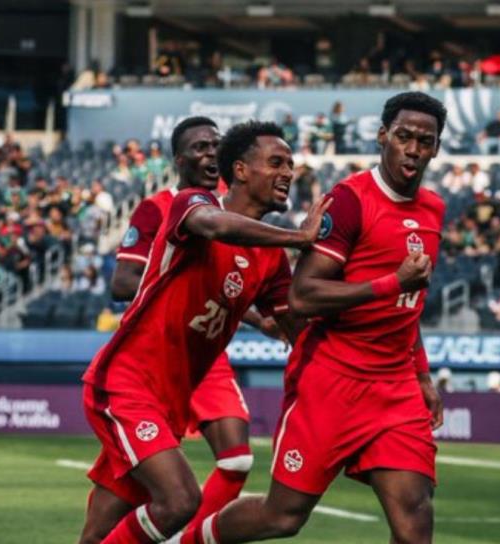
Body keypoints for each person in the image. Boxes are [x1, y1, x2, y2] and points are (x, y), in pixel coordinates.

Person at [190, 92, 447, 544]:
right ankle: (191, 540)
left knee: (414, 523)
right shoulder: (349, 201)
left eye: (424, 141)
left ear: (436, 148)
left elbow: (409, 305)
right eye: (403, 136)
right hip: (332, 379)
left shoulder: (432, 210)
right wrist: (391, 282)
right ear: (383, 136)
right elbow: (304, 297)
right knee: (283, 518)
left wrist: (421, 374)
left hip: (395, 388)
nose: (413, 148)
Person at [78, 120, 330, 544]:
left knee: (97, 535)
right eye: (276, 162)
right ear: (241, 170)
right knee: (178, 501)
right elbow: (216, 226)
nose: (289, 171)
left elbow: (297, 323)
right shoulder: (189, 204)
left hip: (169, 402)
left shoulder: (270, 260)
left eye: (291, 163)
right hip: (125, 384)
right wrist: (298, 236)